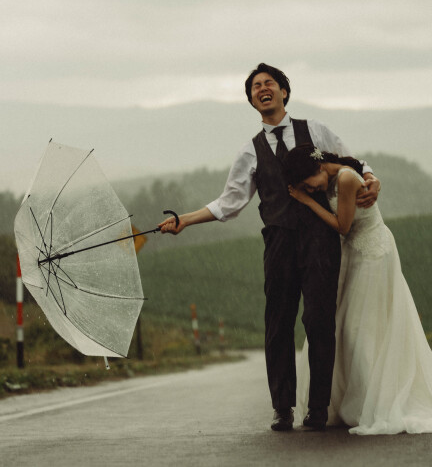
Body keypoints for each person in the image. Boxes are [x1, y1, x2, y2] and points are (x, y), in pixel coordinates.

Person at [158, 64, 380, 431]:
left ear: (284, 92)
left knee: (319, 320)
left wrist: (372, 178)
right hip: (278, 241)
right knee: (278, 323)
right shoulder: (250, 151)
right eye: (256, 87)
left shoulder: (316, 131)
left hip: (321, 240)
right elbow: (229, 203)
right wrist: (184, 219)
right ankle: (282, 408)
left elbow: (352, 161)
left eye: (269, 84)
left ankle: (318, 409)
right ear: (251, 100)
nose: (263, 89)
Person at [285, 143, 432, 435]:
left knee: (365, 330)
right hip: (354, 255)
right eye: (305, 189)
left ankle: (373, 400)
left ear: (319, 167)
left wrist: (307, 201)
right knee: (347, 328)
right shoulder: (333, 176)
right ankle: (357, 399)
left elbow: (343, 226)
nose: (310, 191)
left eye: (309, 185)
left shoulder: (347, 179)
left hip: (373, 253)